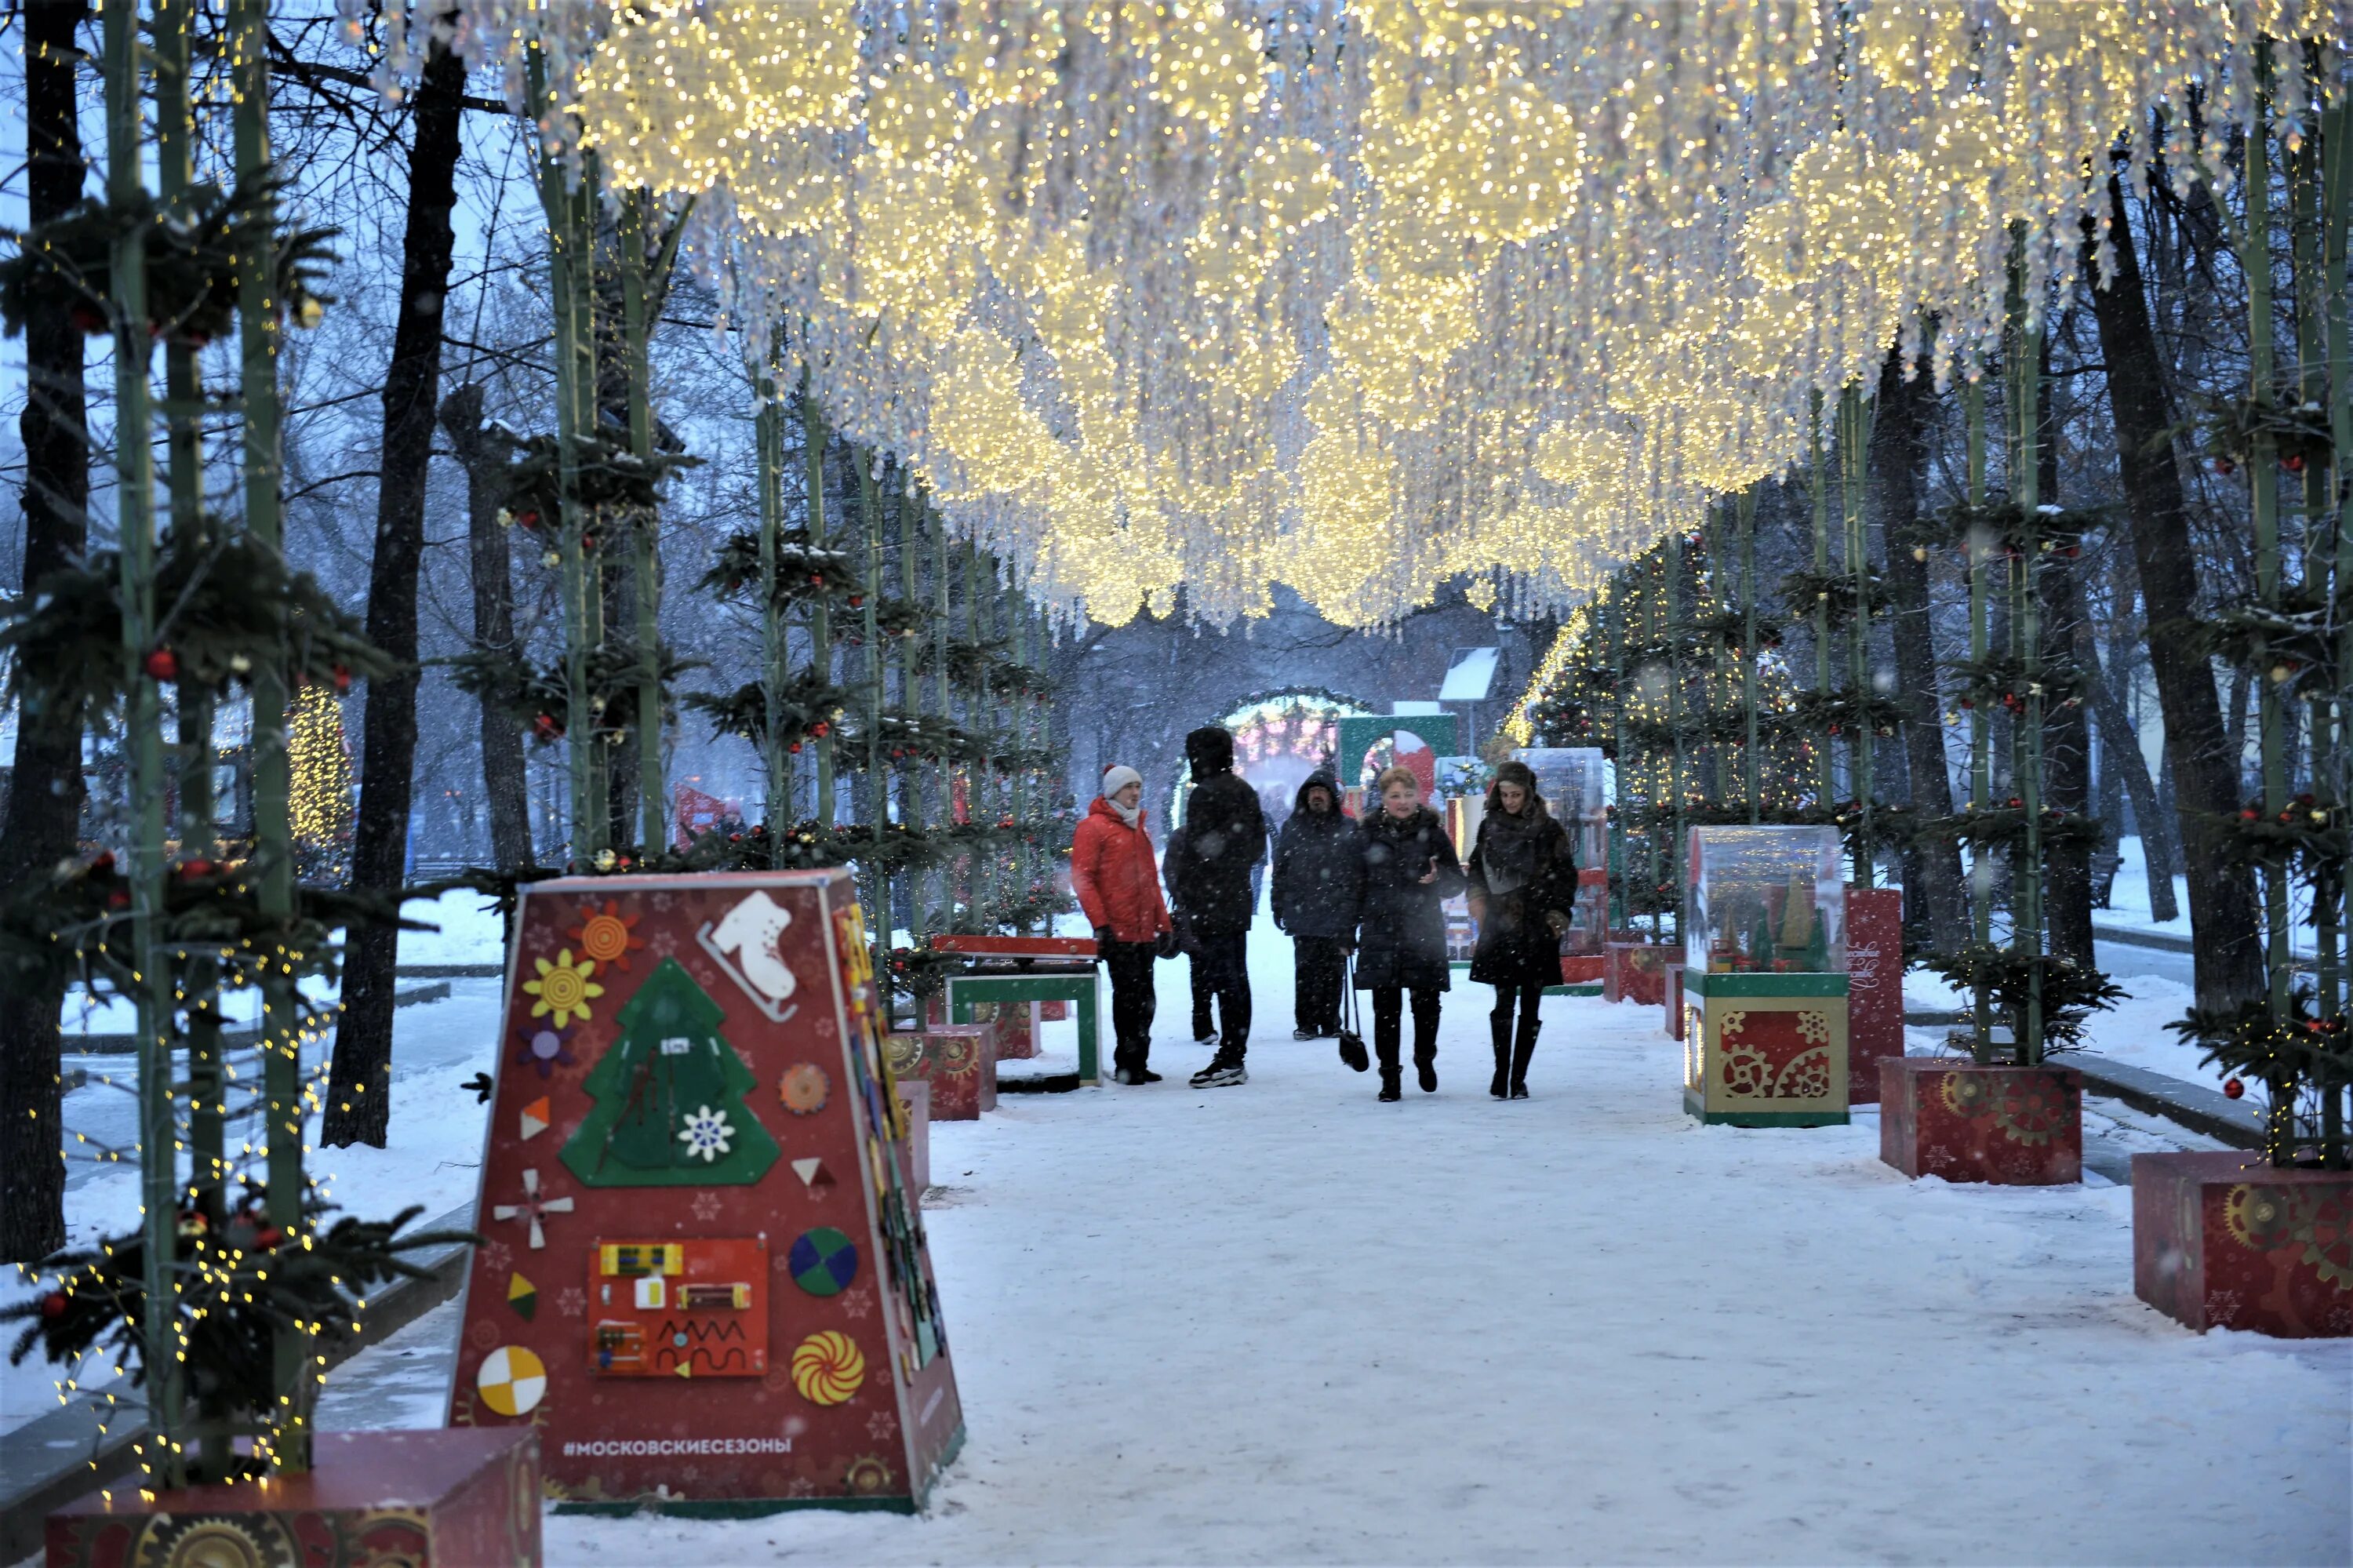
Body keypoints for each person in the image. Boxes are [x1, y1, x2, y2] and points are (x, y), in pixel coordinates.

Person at [1464, 759, 1577, 1100]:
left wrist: (1556, 915)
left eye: (1516, 794)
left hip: (1536, 925)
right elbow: (1477, 870)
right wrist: (1479, 900)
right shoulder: (1490, 827)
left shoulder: (1549, 829)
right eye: (1505, 794)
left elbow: (1566, 874)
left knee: (1531, 1004)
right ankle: (1501, 1073)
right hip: (1501, 924)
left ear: (1529, 794)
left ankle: (1519, 1076)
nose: (1510, 801)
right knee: (1502, 1002)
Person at [1353, 765, 1465, 1102]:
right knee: (1385, 1010)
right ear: (1384, 799)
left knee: (1426, 1005)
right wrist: (1346, 930)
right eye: (1395, 796)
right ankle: (1389, 1077)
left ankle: (1424, 1058)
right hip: (1381, 929)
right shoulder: (1367, 834)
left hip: (1423, 930)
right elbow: (1354, 883)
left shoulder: (1432, 832)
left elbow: (1456, 880)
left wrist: (1438, 879)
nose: (1402, 802)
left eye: (1408, 795)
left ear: (1419, 796)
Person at [1167, 725, 1267, 1088]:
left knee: (1223, 980)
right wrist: (1232, 865)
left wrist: (1193, 891)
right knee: (1236, 978)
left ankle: (1230, 1058)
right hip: (1235, 899)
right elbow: (1257, 849)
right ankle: (1234, 1051)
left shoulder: (1204, 795)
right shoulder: (1245, 792)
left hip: (1210, 902)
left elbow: (1195, 851)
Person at [1070, 764, 1173, 1086]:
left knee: (1146, 1001)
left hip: (1143, 931)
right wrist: (1101, 924)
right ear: (1113, 791)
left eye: (1138, 787)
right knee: (1128, 1000)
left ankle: (1138, 1061)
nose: (1135, 793)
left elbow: (1150, 883)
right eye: (1129, 787)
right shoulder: (1093, 828)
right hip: (1118, 930)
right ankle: (1126, 1064)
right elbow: (1083, 879)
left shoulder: (1138, 828)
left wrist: (1163, 924)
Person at [1270, 766, 1361, 1039]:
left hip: (1336, 912)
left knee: (1334, 972)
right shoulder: (1292, 828)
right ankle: (1307, 1023)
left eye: (1322, 791)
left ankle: (1331, 1021)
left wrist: (1353, 911)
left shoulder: (1348, 829)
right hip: (1303, 912)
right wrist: (1278, 902)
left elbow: (1356, 875)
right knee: (1306, 971)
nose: (1318, 796)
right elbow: (1281, 869)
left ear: (1332, 796)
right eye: (1313, 792)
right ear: (1305, 796)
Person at [1161, 817, 1219, 1045]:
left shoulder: (1224, 835)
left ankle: (1208, 1023)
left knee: (1216, 970)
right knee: (1201, 967)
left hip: (1220, 914)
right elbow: (1170, 871)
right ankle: (1203, 1023)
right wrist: (1187, 896)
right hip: (1194, 913)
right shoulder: (1182, 836)